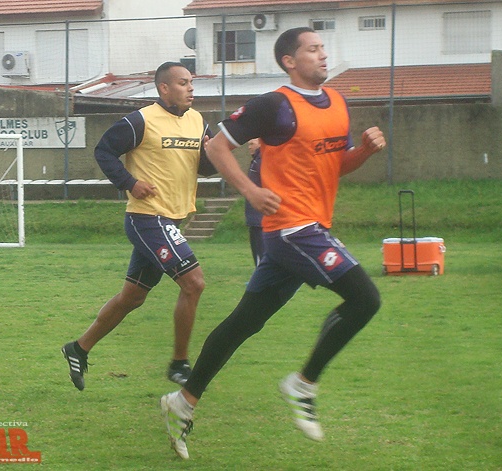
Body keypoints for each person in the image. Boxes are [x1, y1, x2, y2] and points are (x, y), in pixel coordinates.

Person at [160, 27, 385, 460]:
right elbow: (217, 145)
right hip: (291, 229)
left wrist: (364, 153)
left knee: (244, 322)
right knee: (365, 299)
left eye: (323, 49)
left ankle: (182, 401)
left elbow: (334, 167)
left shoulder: (338, 103)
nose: (322, 55)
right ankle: (303, 384)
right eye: (313, 49)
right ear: (289, 61)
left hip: (311, 226)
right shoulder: (274, 105)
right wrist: (250, 190)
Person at [62, 61, 216, 391]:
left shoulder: (198, 121)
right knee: (194, 283)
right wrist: (130, 182)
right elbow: (104, 150)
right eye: (183, 83)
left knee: (132, 297)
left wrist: (214, 151)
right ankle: (179, 363)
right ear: (164, 88)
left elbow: (204, 167)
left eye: (191, 83)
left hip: (172, 219)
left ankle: (78, 348)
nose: (191, 88)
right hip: (148, 219)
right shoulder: (141, 120)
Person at [244, 138, 264, 267]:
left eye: (252, 143)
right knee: (257, 252)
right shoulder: (256, 161)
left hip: (260, 218)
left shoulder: (262, 161)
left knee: (261, 253)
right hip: (254, 217)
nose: (249, 147)